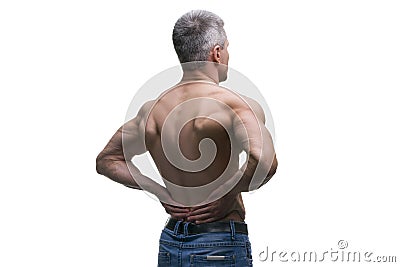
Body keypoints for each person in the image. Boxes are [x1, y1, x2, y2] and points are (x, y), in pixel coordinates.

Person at [96, 10, 278, 266]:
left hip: (172, 241)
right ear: (216, 53)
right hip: (219, 241)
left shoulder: (151, 110)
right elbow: (265, 161)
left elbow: (107, 160)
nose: (227, 54)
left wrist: (159, 190)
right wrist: (227, 193)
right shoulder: (234, 105)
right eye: (226, 48)